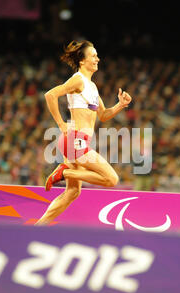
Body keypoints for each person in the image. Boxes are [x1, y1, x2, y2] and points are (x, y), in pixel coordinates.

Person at [35, 40, 132, 226]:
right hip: (75, 140)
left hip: (78, 142)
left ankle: (38, 226)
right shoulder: (78, 79)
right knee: (111, 179)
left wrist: (120, 105)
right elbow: (50, 95)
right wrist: (61, 124)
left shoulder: (92, 86)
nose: (98, 58)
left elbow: (103, 115)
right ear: (82, 61)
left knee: (72, 192)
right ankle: (66, 173)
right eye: (93, 55)